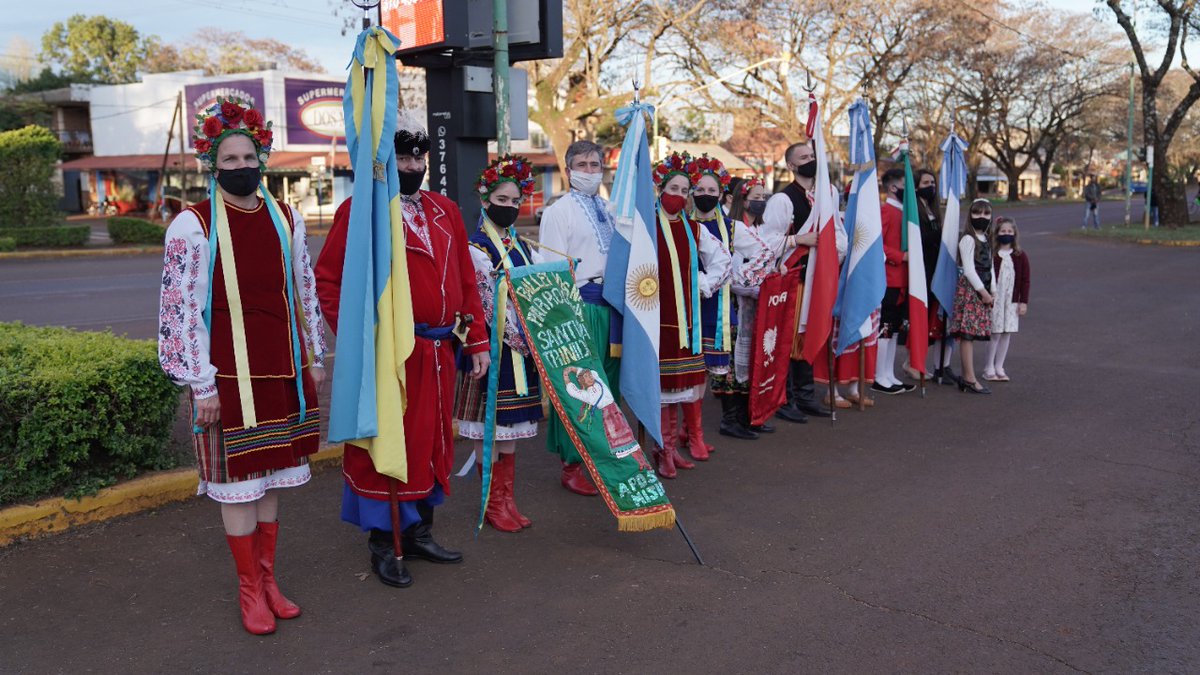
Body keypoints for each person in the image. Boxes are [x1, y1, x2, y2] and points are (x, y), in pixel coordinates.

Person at [158, 98, 326, 635]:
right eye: (227, 159)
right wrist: (197, 382)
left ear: (262, 156)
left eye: (246, 156)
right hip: (224, 376)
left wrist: (313, 354)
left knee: (272, 476)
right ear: (212, 163)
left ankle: (270, 579)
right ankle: (249, 588)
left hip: (281, 367)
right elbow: (178, 310)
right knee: (239, 484)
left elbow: (301, 288)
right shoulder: (192, 223)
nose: (238, 167)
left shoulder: (285, 214)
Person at [315, 113, 490, 588]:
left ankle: (418, 531)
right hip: (390, 358)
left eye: (419, 155)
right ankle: (383, 542)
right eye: (403, 155)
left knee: (433, 441)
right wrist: (363, 343)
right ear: (385, 159)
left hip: (439, 353)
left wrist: (476, 339)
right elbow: (329, 283)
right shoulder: (362, 211)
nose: (413, 164)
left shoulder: (445, 210)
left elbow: (465, 282)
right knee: (388, 445)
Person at [453, 155, 544, 533]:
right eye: (501, 200)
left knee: (511, 429)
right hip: (489, 351)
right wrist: (519, 337)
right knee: (490, 428)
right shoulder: (476, 247)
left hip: (520, 350)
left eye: (514, 201)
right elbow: (481, 303)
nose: (508, 207)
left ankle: (507, 499)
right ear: (484, 199)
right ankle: (493, 503)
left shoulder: (522, 244)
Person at [537, 140, 614, 497]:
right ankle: (572, 463)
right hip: (580, 305)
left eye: (594, 163)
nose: (589, 170)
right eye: (581, 164)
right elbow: (550, 267)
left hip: (612, 304)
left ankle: (601, 456)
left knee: (606, 386)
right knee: (581, 386)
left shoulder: (611, 208)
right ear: (568, 170)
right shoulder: (558, 211)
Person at [652, 151, 731, 478]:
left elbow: (723, 262)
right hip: (655, 322)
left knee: (679, 389)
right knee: (661, 392)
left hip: (686, 324)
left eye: (685, 191)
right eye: (675, 189)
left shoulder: (694, 230)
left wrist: (702, 285)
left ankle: (671, 449)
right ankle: (662, 451)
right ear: (660, 188)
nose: (680, 196)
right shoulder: (646, 227)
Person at [762, 141, 832, 422]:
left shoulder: (824, 197)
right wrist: (798, 239)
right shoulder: (783, 200)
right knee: (788, 341)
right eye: (803, 157)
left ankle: (805, 395)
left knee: (806, 337)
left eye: (812, 156)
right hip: (792, 280)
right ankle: (784, 398)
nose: (810, 160)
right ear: (791, 166)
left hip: (816, 279)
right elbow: (766, 242)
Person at [689, 155, 739, 453]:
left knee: (705, 371)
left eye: (712, 191)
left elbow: (757, 258)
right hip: (683, 309)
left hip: (716, 307)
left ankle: (695, 433)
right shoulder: (679, 223)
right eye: (700, 190)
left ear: (721, 194)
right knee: (687, 371)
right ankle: (686, 433)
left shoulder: (732, 228)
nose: (706, 195)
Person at [721, 176, 774, 439]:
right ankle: (732, 419)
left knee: (753, 359)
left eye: (763, 197)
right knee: (734, 363)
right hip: (736, 304)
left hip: (755, 306)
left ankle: (749, 415)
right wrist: (753, 281)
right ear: (741, 199)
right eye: (755, 197)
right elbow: (731, 271)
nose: (760, 202)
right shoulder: (731, 228)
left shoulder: (757, 230)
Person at [873, 168, 916, 395]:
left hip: (903, 279)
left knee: (895, 330)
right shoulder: (886, 211)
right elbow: (877, 242)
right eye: (904, 184)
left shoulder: (904, 212)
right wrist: (901, 257)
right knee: (886, 328)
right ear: (892, 187)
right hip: (890, 278)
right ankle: (879, 375)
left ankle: (888, 373)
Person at [911, 168, 955, 382]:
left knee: (933, 317)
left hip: (935, 267)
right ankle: (912, 361)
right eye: (926, 182)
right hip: (923, 268)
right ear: (916, 185)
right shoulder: (913, 210)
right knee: (920, 315)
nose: (931, 186)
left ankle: (939, 364)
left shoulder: (932, 209)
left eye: (933, 182)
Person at [949, 198, 996, 394]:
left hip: (984, 291)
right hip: (972, 291)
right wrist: (983, 292)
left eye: (986, 214)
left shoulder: (987, 238)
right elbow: (968, 269)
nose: (982, 217)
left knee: (974, 334)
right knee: (967, 335)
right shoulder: (967, 239)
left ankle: (969, 377)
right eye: (977, 213)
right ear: (970, 216)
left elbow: (991, 266)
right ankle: (968, 377)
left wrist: (993, 289)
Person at [984, 217, 1030, 382]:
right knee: (995, 333)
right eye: (1003, 231)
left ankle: (999, 366)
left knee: (1006, 333)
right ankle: (988, 367)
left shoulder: (1020, 255)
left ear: (1014, 234)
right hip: (996, 300)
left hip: (1012, 301)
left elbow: (1025, 280)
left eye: (1009, 231)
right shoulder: (993, 254)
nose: (1006, 234)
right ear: (997, 233)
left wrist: (1023, 302)